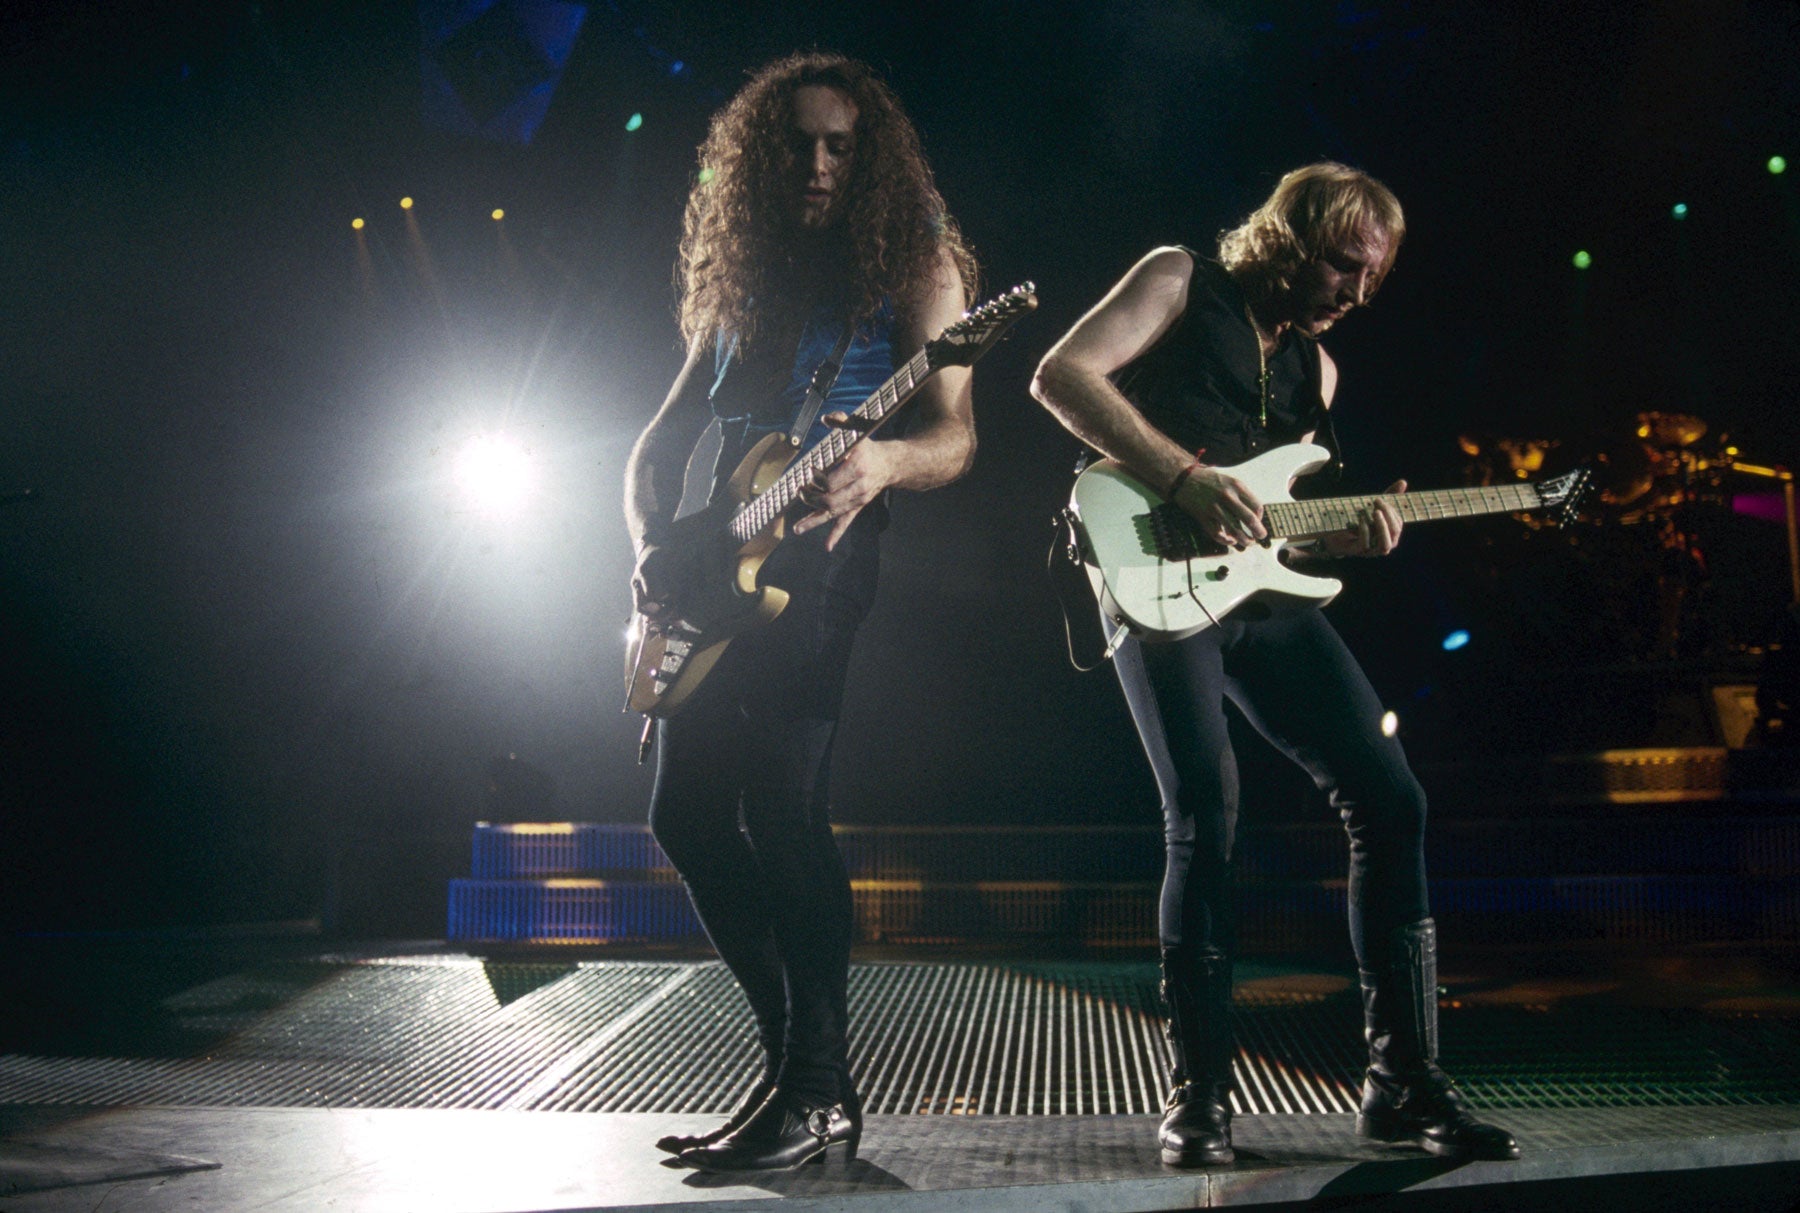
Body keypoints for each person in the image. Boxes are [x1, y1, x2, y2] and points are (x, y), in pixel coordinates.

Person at [1030, 163, 1518, 1167]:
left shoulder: (1318, 372)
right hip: (1151, 572)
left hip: (1254, 593)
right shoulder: (1178, 279)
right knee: (1206, 809)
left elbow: (1278, 523)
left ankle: (1403, 1085)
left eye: (1373, 277)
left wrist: (1350, 538)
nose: (1357, 293)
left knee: (1391, 798)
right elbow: (1061, 376)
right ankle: (1201, 1098)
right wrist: (1182, 475)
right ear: (1291, 239)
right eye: (1343, 265)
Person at [622, 52, 978, 1171]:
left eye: (840, 147)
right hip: (709, 562)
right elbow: (659, 444)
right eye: (799, 145)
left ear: (869, 159)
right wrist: (649, 546)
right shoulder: (746, 273)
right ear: (759, 159)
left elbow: (956, 436)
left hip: (822, 555)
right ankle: (794, 1071)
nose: (819, 165)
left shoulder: (913, 265)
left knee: (783, 807)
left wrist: (884, 463)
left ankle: (819, 1088)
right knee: (684, 816)